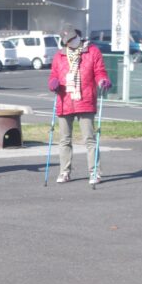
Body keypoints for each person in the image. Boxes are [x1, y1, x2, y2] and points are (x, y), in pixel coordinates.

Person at [47, 25, 111, 185]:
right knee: (64, 140)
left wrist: (103, 80)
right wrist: (53, 83)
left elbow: (99, 72)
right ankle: (64, 171)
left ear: (78, 36)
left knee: (89, 139)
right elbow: (54, 75)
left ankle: (94, 172)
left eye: (72, 39)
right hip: (64, 100)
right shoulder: (59, 56)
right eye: (66, 41)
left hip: (85, 99)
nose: (70, 43)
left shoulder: (92, 51)